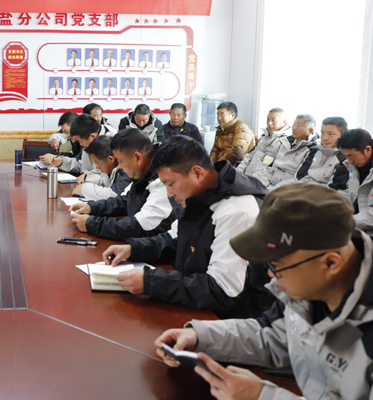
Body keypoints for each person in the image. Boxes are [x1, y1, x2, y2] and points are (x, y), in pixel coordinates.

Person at [155, 183, 373, 400]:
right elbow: (271, 334)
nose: (270, 274)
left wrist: (262, 396)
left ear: (330, 263)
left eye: (276, 266)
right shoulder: (310, 285)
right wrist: (200, 336)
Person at [103, 135, 273, 318]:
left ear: (197, 173)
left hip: (234, 320)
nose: (169, 193)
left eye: (171, 184)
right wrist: (132, 249)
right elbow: (173, 239)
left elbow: (222, 289)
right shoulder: (199, 196)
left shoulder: (239, 210)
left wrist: (149, 281)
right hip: (199, 305)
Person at [70, 129, 173, 241]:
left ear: (137, 158)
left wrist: (91, 224)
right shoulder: (142, 175)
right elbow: (123, 201)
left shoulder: (164, 181)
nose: (119, 166)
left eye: (120, 161)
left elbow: (139, 227)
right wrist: (91, 207)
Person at [333, 128, 373, 242]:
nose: (349, 161)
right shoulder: (352, 163)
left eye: (351, 156)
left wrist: (349, 221)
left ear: (368, 149)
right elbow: (347, 190)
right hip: (359, 219)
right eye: (346, 156)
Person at [273, 116, 348, 189]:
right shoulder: (319, 153)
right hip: (303, 191)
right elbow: (306, 178)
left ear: (342, 135)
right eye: (322, 133)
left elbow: (332, 190)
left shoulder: (343, 160)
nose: (325, 138)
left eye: (330, 134)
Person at [40, 114, 115, 181]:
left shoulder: (110, 140)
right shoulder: (87, 137)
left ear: (92, 136)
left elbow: (110, 174)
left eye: (81, 141)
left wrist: (91, 177)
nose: (80, 144)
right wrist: (62, 162)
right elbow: (81, 166)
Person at [254, 114, 319, 189]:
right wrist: (259, 186)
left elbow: (297, 180)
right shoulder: (285, 142)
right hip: (269, 186)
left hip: (286, 190)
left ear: (310, 130)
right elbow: (271, 169)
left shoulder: (312, 151)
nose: (294, 128)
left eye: (298, 125)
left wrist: (270, 190)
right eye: (294, 124)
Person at [72, 135, 132, 201]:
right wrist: (89, 182)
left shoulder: (127, 169)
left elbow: (114, 194)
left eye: (98, 163)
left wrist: (84, 189)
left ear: (110, 159)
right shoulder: (110, 167)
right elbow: (105, 180)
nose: (97, 167)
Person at [236, 107, 290, 176]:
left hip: (261, 179)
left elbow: (274, 169)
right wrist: (238, 172)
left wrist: (251, 179)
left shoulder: (286, 142)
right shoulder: (264, 136)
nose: (269, 123)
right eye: (268, 119)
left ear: (284, 122)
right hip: (247, 176)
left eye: (273, 120)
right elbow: (250, 156)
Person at [210, 101, 255, 166]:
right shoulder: (221, 128)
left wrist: (218, 166)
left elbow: (237, 152)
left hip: (237, 166)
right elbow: (215, 150)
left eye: (222, 114)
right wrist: (211, 165)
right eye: (218, 114)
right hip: (222, 165)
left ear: (233, 115)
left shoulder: (241, 127)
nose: (219, 118)